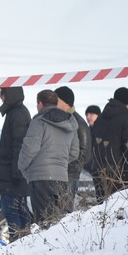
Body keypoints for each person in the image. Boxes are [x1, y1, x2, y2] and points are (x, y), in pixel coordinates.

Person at [17, 89, 79, 226]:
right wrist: (59, 163)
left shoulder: (39, 121)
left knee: (44, 223)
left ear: (40, 104)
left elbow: (30, 148)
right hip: (62, 178)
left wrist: (21, 166)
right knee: (61, 224)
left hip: (40, 179)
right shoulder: (70, 123)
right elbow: (74, 152)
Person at [0, 87, 32, 238]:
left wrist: (17, 172)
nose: (0, 97)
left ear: (10, 95)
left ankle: (18, 243)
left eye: (3, 93)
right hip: (14, 174)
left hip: (13, 176)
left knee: (11, 211)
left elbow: (19, 146)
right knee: (18, 210)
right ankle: (23, 242)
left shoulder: (17, 114)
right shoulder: (16, 112)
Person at [90, 87, 128, 199]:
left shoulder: (100, 118)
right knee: (116, 206)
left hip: (98, 169)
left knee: (101, 206)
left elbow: (93, 143)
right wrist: (127, 169)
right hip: (117, 172)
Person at [54, 86, 90, 202]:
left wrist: (68, 168)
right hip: (57, 175)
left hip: (69, 177)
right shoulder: (60, 119)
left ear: (66, 103)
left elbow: (85, 154)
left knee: (63, 213)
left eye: (56, 100)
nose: (53, 104)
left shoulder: (78, 123)